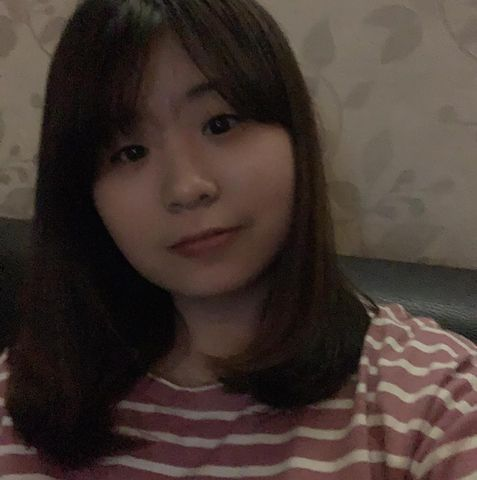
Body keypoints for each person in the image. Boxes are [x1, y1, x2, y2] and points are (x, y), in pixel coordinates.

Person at [0, 0, 476, 478]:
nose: (186, 188)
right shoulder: (23, 400)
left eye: (220, 124)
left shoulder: (436, 397)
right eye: (130, 152)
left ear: (295, 135)